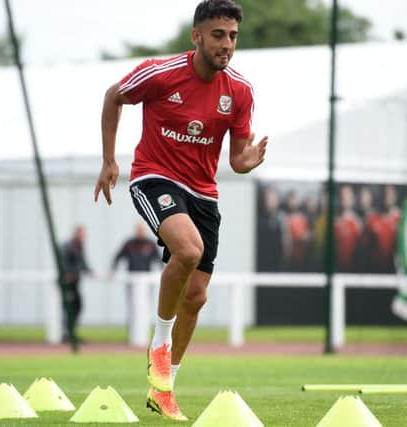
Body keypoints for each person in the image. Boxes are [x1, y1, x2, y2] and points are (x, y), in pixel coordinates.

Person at [93, 0, 268, 421]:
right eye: (218, 35)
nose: (227, 44)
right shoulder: (161, 73)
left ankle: (164, 386)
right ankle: (159, 345)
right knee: (188, 251)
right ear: (197, 37)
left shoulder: (240, 91)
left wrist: (247, 162)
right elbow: (113, 96)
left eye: (233, 36)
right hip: (155, 177)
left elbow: (237, 158)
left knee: (197, 294)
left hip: (204, 194)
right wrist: (109, 159)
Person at [110, 222, 161, 339]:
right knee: (133, 306)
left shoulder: (150, 244)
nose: (140, 232)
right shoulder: (129, 244)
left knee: (145, 305)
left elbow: (158, 260)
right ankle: (133, 333)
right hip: (132, 279)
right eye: (138, 230)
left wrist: (162, 274)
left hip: (146, 280)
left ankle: (144, 333)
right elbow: (118, 256)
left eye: (142, 230)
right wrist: (113, 269)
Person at [60, 225, 93, 343]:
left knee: (76, 306)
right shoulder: (69, 245)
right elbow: (63, 261)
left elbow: (82, 263)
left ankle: (70, 333)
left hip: (75, 281)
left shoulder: (79, 245)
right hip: (69, 282)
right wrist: (66, 274)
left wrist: (90, 272)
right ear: (77, 233)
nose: (84, 236)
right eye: (82, 233)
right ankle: (67, 334)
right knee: (70, 307)